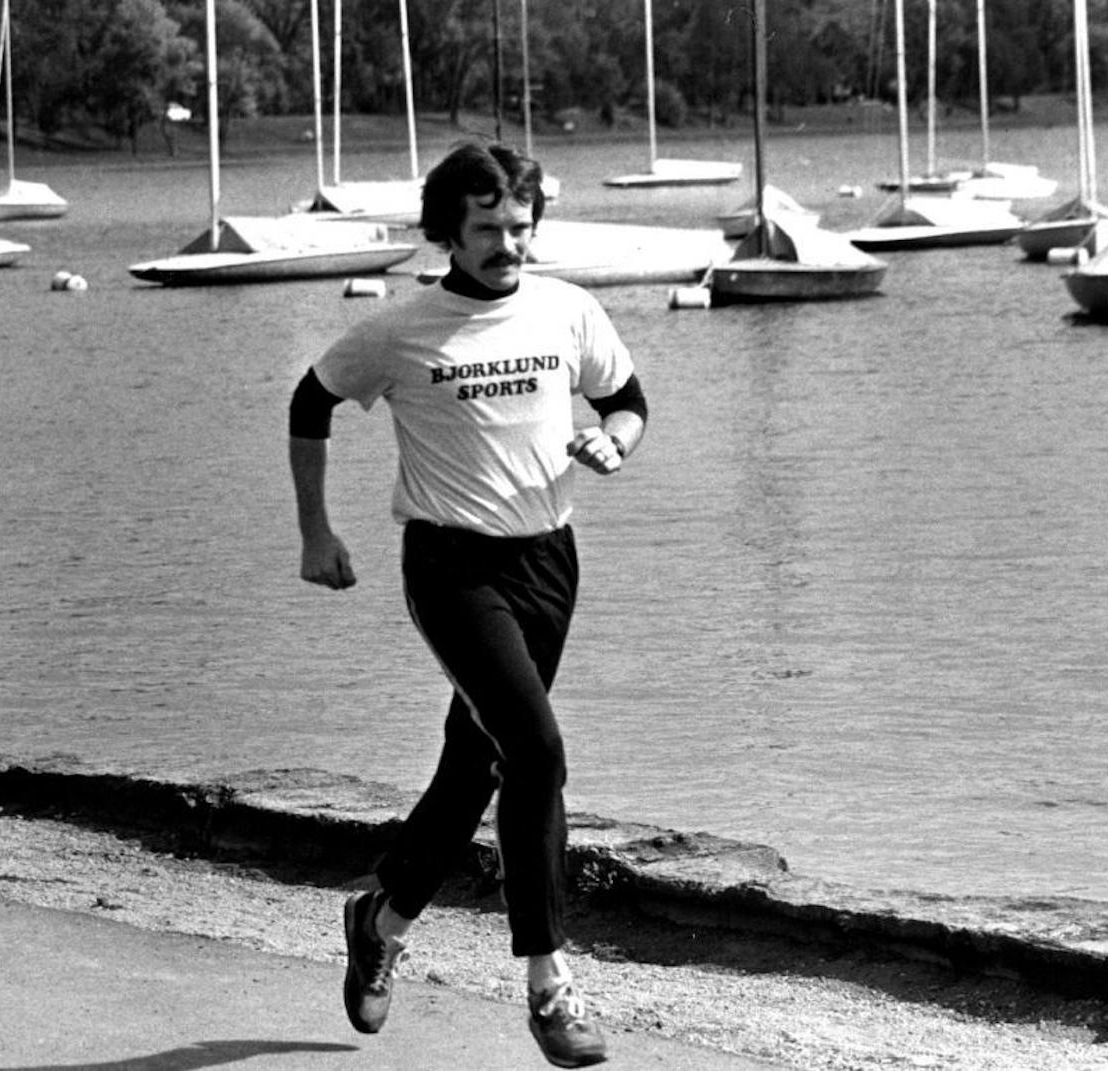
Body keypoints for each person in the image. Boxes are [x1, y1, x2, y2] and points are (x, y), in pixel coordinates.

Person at [288, 140, 647, 1069]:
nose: (508, 244)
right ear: (447, 229)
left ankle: (383, 917)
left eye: (520, 227)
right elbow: (310, 400)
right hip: (450, 568)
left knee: (480, 766)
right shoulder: (403, 328)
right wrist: (316, 533)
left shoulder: (569, 309)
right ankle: (549, 983)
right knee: (536, 747)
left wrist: (614, 440)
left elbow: (629, 399)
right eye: (487, 228)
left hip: (548, 562)